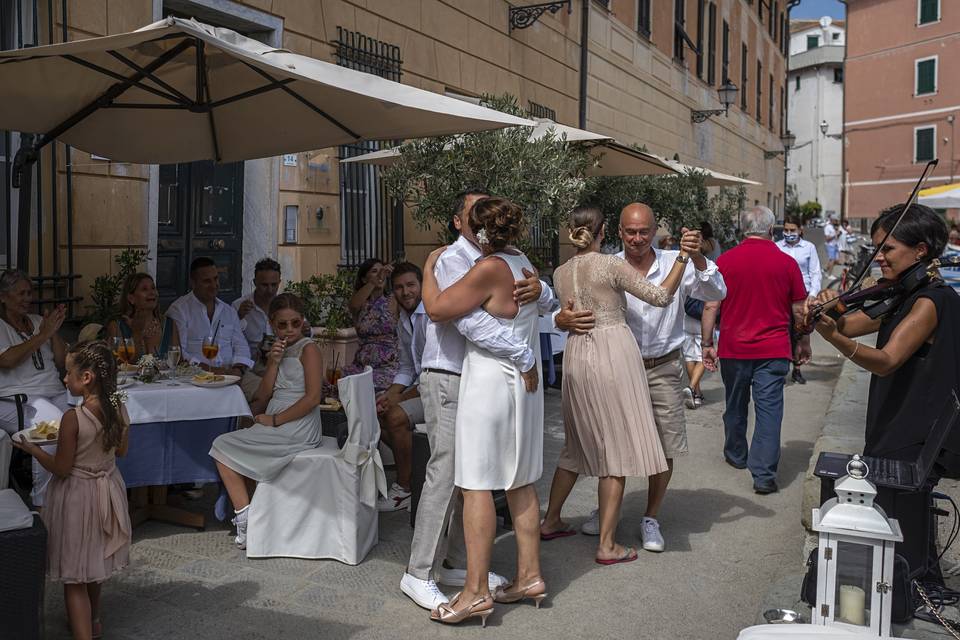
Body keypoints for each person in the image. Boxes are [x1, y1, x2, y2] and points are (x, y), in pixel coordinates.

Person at [400, 189, 552, 612]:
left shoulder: (486, 264)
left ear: (483, 226)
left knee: (474, 481)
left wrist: (425, 271)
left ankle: (471, 585)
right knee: (472, 477)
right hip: (456, 375)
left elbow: (452, 315)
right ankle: (428, 570)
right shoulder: (470, 258)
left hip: (486, 378)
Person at [553, 204, 726, 551]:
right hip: (617, 367)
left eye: (644, 232)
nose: (637, 238)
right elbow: (568, 308)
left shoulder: (672, 260)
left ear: (653, 230)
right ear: (616, 231)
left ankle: (650, 517)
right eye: (630, 232)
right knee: (609, 442)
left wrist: (697, 260)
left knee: (664, 443)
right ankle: (607, 518)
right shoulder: (608, 263)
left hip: (662, 365)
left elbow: (716, 292)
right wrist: (562, 320)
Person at [805, 203, 960, 582]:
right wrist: (823, 313)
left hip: (915, 431)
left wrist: (835, 338)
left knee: (903, 526)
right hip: (899, 421)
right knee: (903, 523)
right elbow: (851, 322)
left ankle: (916, 593)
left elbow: (887, 360)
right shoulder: (903, 294)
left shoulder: (929, 301)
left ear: (920, 250)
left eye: (887, 249)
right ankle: (915, 587)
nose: (879, 258)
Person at [13, 341, 131, 640]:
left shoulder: (72, 419)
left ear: (87, 377)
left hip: (78, 495)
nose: (64, 379)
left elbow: (62, 468)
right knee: (93, 560)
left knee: (74, 575)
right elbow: (122, 451)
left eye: (68, 373)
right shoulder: (118, 406)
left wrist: (31, 448)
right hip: (108, 488)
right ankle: (94, 622)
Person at [702, 206, 810, 495]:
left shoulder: (724, 262)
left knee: (735, 404)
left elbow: (711, 305)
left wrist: (707, 344)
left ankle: (736, 454)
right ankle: (763, 475)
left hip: (734, 347)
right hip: (774, 349)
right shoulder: (786, 263)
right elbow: (800, 310)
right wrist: (803, 342)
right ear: (771, 229)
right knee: (769, 411)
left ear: (743, 229)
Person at [209, 293, 323, 549]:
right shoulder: (279, 349)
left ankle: (246, 519)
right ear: (272, 324)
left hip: (298, 421)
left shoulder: (309, 349)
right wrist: (272, 362)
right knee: (224, 445)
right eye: (283, 324)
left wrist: (275, 420)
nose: (290, 329)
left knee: (221, 446)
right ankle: (250, 515)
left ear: (302, 321)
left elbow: (313, 398)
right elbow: (263, 394)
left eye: (295, 323)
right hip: (275, 414)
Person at [0, 269, 71, 507]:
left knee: (88, 417)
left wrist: (55, 331)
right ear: (3, 297)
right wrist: (43, 335)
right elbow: (7, 360)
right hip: (18, 401)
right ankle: (43, 499)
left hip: (55, 393)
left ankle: (77, 488)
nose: (27, 298)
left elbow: (62, 362)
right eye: (20, 293)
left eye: (29, 293)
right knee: (54, 427)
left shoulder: (40, 322)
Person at [375, 262, 426, 512]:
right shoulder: (403, 320)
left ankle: (404, 487)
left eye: (411, 285)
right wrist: (390, 394)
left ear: (422, 286)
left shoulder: (430, 317)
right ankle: (416, 472)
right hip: (423, 386)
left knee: (395, 417)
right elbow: (407, 367)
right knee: (379, 412)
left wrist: (400, 398)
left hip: (444, 390)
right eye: (399, 287)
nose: (406, 292)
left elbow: (430, 374)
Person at [166, 257, 253, 377]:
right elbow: (179, 353)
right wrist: (208, 370)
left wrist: (238, 369)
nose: (214, 285)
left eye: (216, 279)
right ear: (193, 283)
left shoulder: (228, 311)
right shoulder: (179, 310)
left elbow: (242, 346)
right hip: (195, 376)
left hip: (232, 374)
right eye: (207, 281)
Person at [336, 258, 399, 394]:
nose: (380, 275)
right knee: (337, 381)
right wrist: (374, 281)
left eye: (382, 271)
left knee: (365, 386)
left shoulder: (392, 300)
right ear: (365, 279)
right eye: (375, 271)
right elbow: (353, 305)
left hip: (387, 366)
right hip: (362, 365)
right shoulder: (360, 303)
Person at [776, 215, 822, 385]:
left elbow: (815, 272)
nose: (789, 233)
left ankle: (797, 368)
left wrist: (813, 294)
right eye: (786, 230)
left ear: (800, 230)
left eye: (792, 230)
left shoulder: (808, 248)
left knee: (800, 333)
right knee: (782, 332)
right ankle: (780, 369)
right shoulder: (777, 247)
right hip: (782, 296)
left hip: (803, 296)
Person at [232, 258, 283, 401]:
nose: (270, 290)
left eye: (274, 285)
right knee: (269, 392)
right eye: (264, 285)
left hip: (280, 365)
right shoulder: (239, 306)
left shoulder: (284, 305)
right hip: (251, 367)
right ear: (254, 283)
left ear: (279, 282)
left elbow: (303, 332)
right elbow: (228, 339)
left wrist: (305, 329)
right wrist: (239, 317)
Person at [105, 272, 180, 360]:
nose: (152, 293)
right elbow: (119, 365)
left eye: (153, 288)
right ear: (131, 299)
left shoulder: (169, 325)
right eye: (144, 289)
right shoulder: (117, 327)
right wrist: (137, 334)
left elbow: (178, 364)